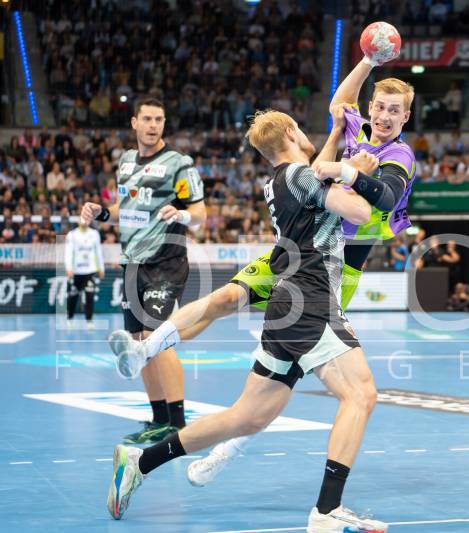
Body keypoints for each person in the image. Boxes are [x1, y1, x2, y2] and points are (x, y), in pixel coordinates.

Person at [108, 51, 417, 482]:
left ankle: (224, 453)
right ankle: (145, 349)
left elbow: (381, 198)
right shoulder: (357, 131)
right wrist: (367, 60)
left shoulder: (398, 154)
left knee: (283, 380)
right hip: (294, 254)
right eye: (379, 107)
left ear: (405, 117)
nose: (384, 116)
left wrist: (347, 172)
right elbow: (338, 105)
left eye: (394, 111)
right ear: (370, 108)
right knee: (226, 297)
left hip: (336, 268)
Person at [81, 97, 206, 444]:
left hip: (167, 261)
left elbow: (200, 214)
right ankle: (159, 419)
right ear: (134, 122)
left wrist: (181, 214)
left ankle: (178, 425)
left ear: (164, 123)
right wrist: (101, 212)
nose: (153, 125)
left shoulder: (179, 164)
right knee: (138, 343)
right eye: (147, 119)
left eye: (159, 119)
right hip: (132, 263)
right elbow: (126, 209)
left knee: (156, 338)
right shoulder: (126, 162)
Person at [64, 219, 104, 329]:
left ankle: (89, 321)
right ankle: (70, 319)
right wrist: (68, 268)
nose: (84, 221)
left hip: (90, 271)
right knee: (73, 296)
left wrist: (101, 268)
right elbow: (68, 253)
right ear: (77, 221)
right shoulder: (72, 235)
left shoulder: (94, 234)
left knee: (90, 296)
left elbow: (98, 251)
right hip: (76, 271)